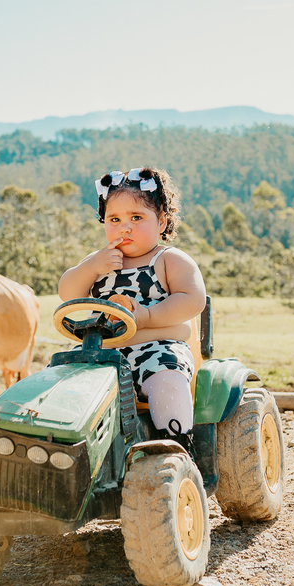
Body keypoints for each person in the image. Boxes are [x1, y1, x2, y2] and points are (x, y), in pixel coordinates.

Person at [58, 166, 207, 451]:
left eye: (136, 218)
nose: (124, 227)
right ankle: (62, 446)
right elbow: (67, 294)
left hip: (157, 349)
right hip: (100, 352)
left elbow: (192, 299)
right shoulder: (99, 261)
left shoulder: (168, 259)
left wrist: (147, 315)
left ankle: (175, 445)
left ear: (161, 221)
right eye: (114, 219)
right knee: (58, 380)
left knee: (167, 379)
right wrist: (91, 267)